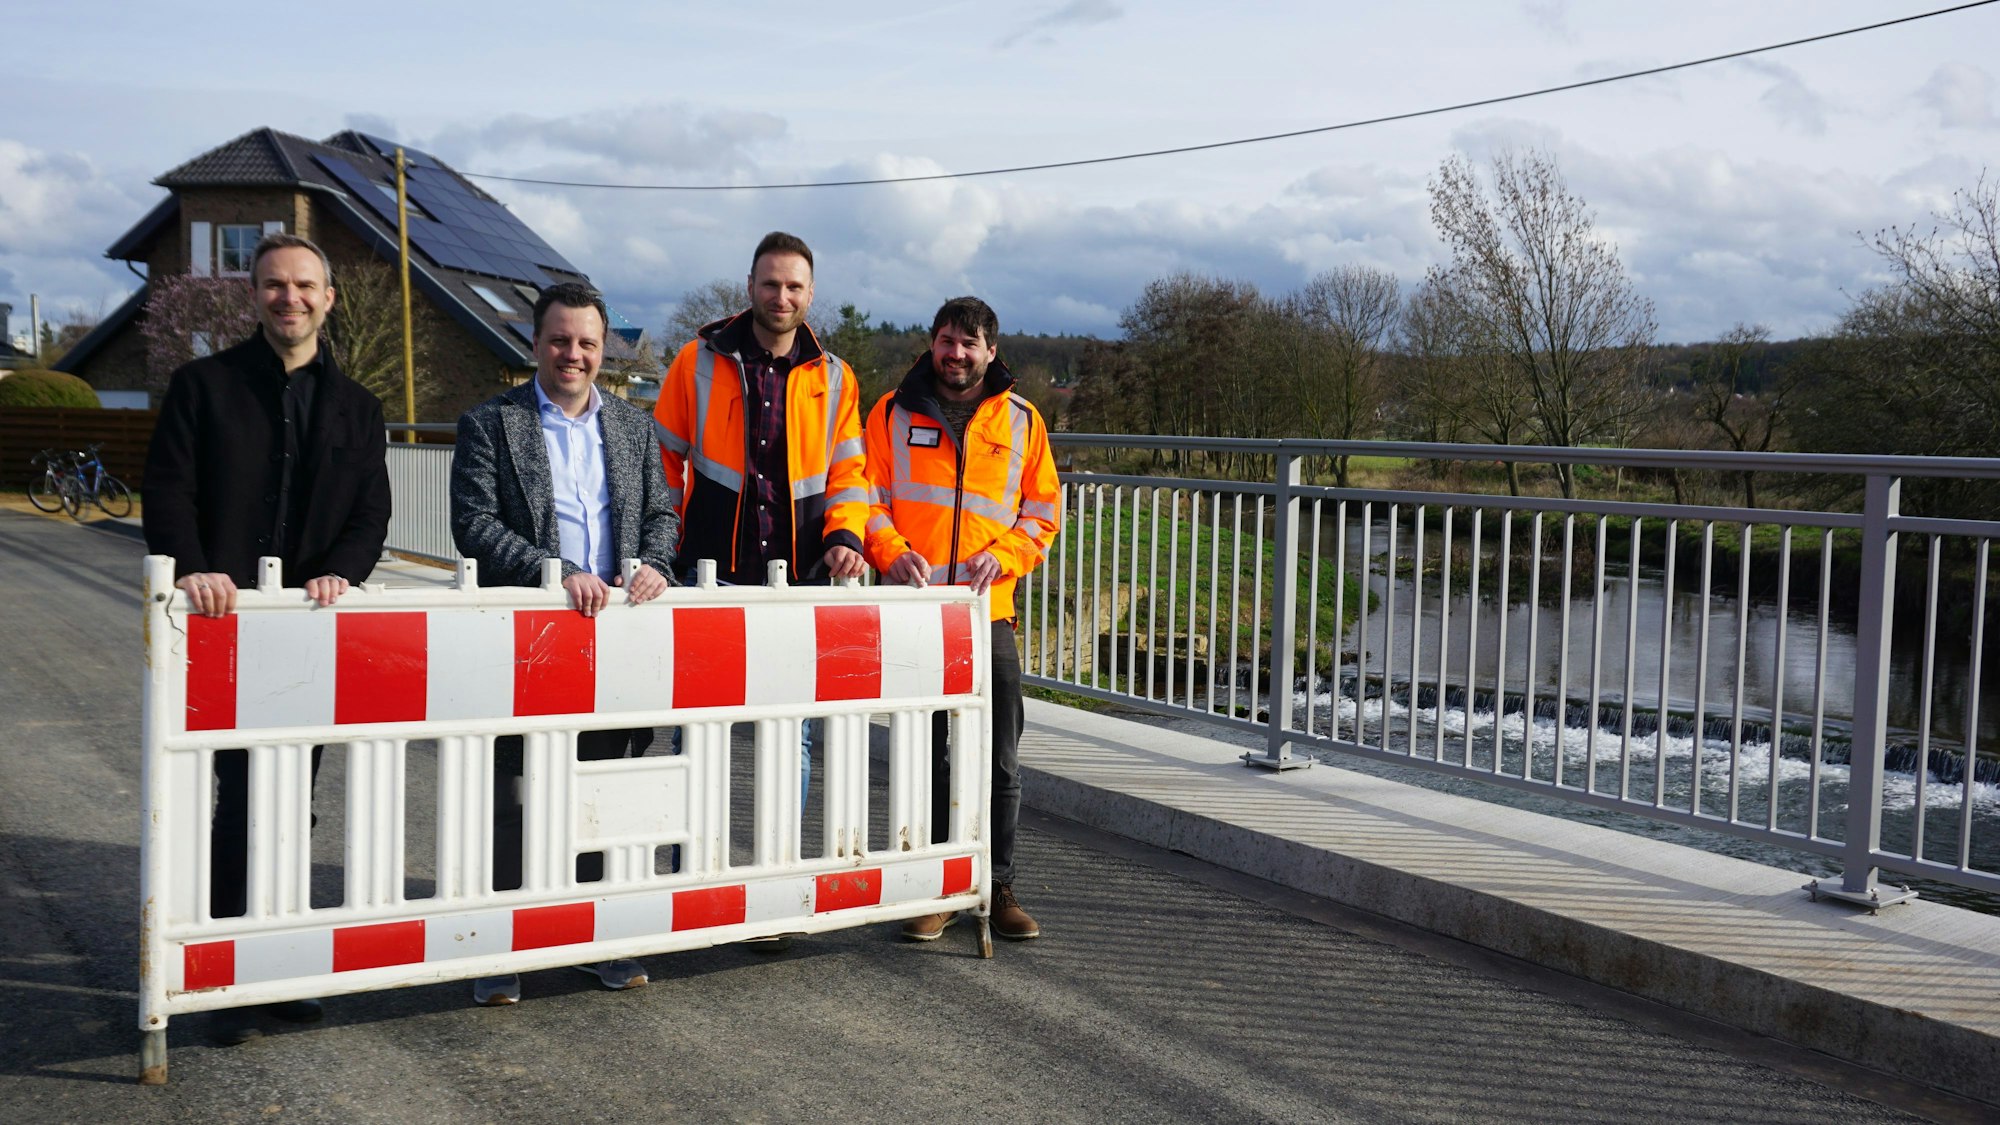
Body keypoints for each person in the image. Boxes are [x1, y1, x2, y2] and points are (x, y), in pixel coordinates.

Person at [142, 231, 392, 1044]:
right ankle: (219, 973)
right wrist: (194, 568)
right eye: (275, 285)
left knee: (292, 797)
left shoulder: (357, 405)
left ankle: (275, 963)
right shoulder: (202, 386)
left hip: (306, 632)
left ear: (328, 297)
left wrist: (344, 575)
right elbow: (169, 488)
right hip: (219, 625)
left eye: (305, 285)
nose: (290, 297)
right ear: (255, 295)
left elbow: (371, 513)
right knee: (230, 802)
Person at [450, 282, 679, 1006]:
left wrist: (655, 564)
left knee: (605, 787)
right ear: (535, 342)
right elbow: (474, 523)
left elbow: (664, 515)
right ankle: (500, 948)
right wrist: (557, 574)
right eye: (559, 340)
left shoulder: (637, 429)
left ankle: (599, 936)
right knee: (517, 791)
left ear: (603, 348)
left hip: (616, 641)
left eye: (586, 342)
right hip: (529, 637)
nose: (572, 354)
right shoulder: (492, 422)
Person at [653, 232, 868, 894]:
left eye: (795, 286)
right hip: (710, 573)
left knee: (792, 736)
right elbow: (660, 461)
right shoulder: (698, 360)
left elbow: (850, 472)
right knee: (700, 730)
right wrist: (663, 547)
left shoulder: (834, 376)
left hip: (797, 579)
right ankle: (695, 873)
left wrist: (848, 535)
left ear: (810, 294)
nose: (782, 296)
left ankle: (774, 876)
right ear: (749, 286)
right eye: (771, 283)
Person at [862, 297, 1060, 942]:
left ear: (991, 352)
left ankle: (997, 886)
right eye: (948, 341)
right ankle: (937, 888)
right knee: (928, 758)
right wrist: (890, 555)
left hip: (987, 613)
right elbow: (867, 499)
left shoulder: (1024, 421)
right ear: (932, 342)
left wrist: (1002, 558)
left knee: (999, 760)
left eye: (970, 344)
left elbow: (1041, 514)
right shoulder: (891, 412)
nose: (957, 354)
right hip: (917, 614)